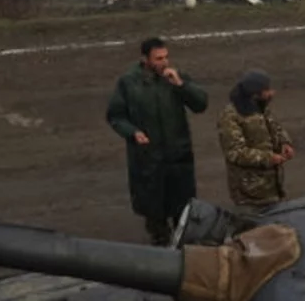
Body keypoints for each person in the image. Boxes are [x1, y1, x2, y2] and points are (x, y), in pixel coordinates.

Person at [106, 36, 209, 244]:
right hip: (148, 159)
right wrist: (132, 132)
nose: (164, 62)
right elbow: (116, 115)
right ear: (145, 59)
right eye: (158, 58)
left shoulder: (175, 79)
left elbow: (201, 104)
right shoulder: (128, 82)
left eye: (166, 57)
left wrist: (181, 85)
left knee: (184, 211)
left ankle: (183, 252)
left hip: (178, 157)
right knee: (154, 212)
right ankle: (160, 244)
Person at [217, 70, 294, 210]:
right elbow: (235, 152)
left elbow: (275, 127)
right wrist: (268, 158)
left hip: (272, 187)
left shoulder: (261, 108)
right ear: (255, 94)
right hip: (250, 193)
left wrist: (285, 142)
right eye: (267, 90)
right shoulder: (230, 117)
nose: (272, 93)